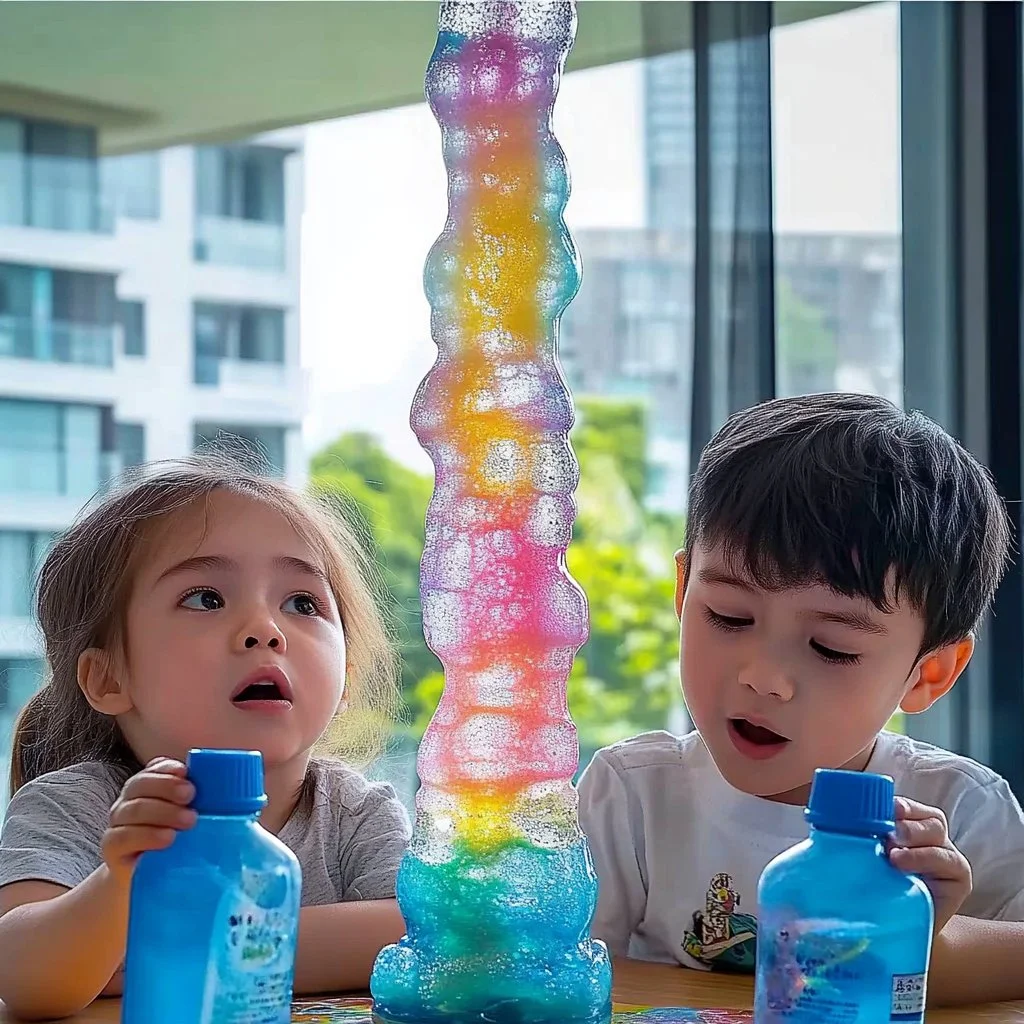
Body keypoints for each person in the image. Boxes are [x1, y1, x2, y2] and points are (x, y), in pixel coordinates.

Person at [578, 393, 1024, 1005]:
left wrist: (922, 932)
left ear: (930, 673)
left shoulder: (963, 812)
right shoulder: (631, 798)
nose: (765, 678)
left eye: (831, 647)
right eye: (730, 616)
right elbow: (564, 983)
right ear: (683, 592)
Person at [0, 453, 410, 1019]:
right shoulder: (76, 806)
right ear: (109, 677)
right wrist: (120, 880)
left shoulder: (356, 813)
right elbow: (26, 977)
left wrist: (160, 944)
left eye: (302, 603)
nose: (264, 631)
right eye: (205, 598)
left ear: (345, 680)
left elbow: (423, 938)